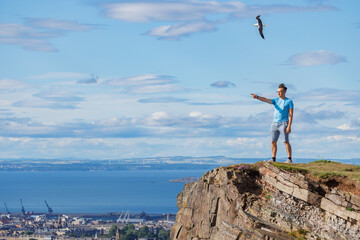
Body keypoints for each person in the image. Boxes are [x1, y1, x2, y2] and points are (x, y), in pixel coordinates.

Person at [251, 83, 294, 163]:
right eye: (277, 91)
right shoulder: (275, 100)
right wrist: (257, 97)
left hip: (284, 123)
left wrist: (289, 126)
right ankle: (273, 159)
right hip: (274, 123)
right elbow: (266, 99)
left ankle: (289, 159)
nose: (278, 93)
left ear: (284, 92)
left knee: (286, 141)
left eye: (280, 92)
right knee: (273, 141)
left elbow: (291, 115)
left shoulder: (289, 101)